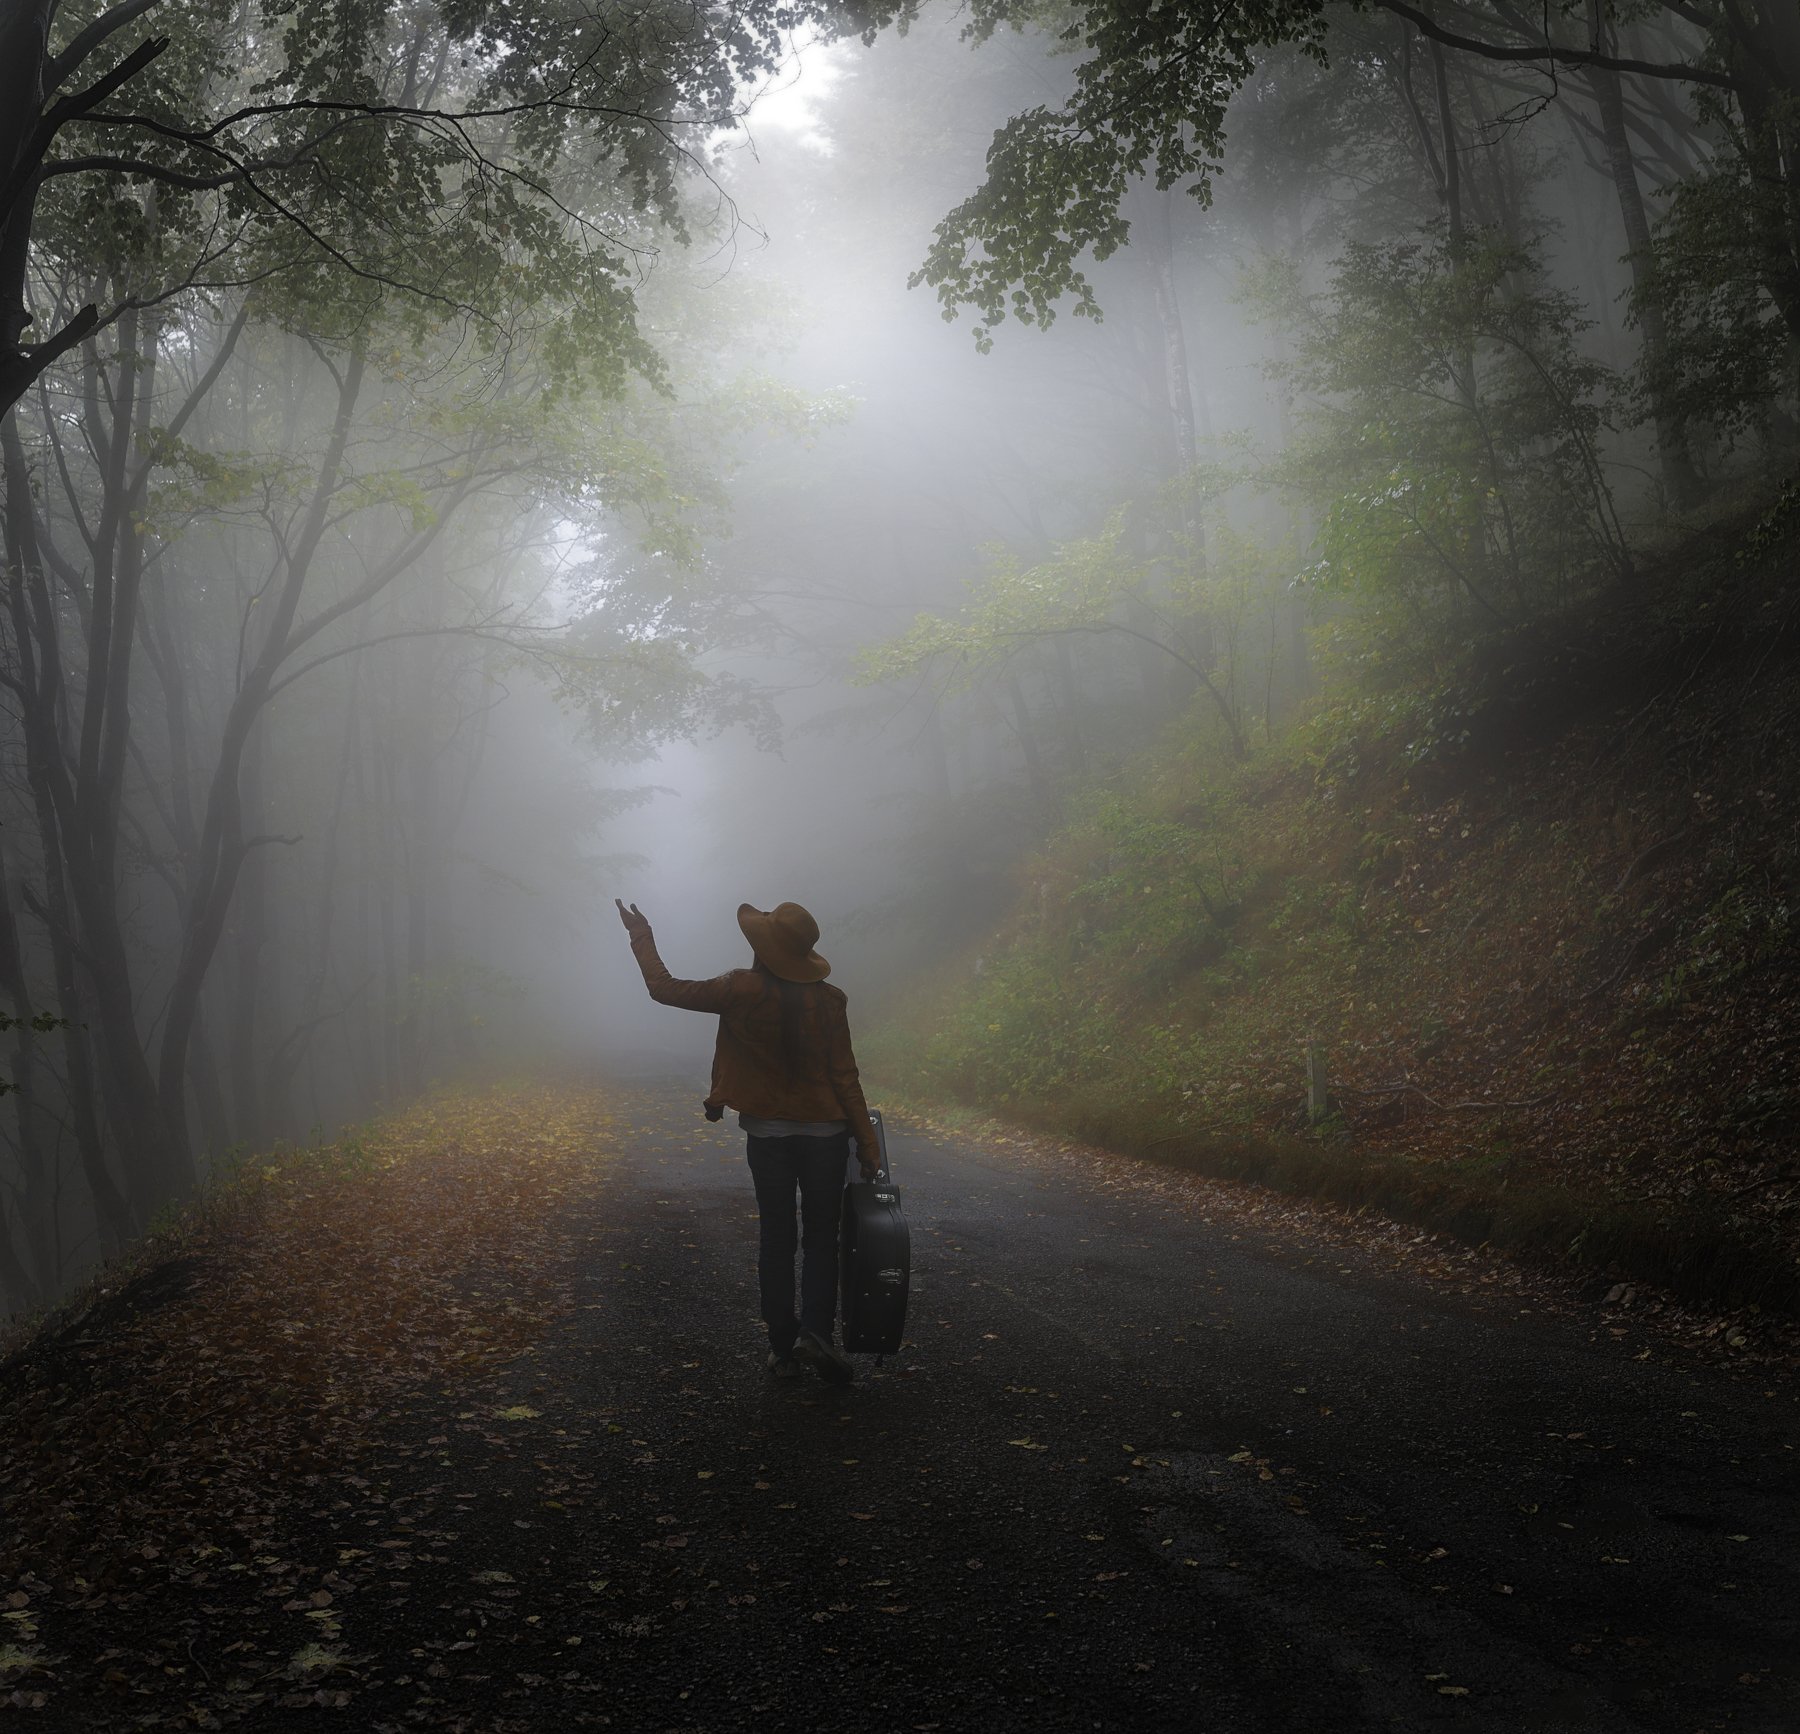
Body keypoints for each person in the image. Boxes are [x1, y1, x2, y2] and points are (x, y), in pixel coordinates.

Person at [615, 898, 881, 1385]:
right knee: (823, 1237)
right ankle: (816, 1335)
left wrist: (641, 936)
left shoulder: (740, 989)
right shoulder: (830, 1000)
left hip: (768, 1135)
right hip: (826, 1134)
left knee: (777, 1237)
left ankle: (782, 1347)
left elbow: (663, 988)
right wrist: (867, 1142)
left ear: (763, 948)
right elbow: (846, 1077)